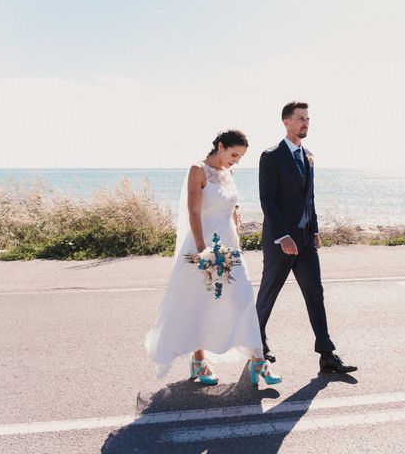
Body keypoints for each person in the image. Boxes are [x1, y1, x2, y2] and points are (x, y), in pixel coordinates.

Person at [145, 130, 281, 386]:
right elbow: (193, 213)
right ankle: (199, 361)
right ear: (220, 146)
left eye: (240, 157)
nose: (235, 161)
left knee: (243, 300)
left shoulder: (228, 173)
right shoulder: (197, 170)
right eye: (233, 154)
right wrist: (201, 250)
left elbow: (229, 202)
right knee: (200, 303)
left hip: (229, 245)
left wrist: (235, 215)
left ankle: (258, 362)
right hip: (203, 245)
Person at [256, 101, 357, 373]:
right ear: (286, 122)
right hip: (281, 242)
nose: (306, 123)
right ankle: (256, 345)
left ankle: (327, 354)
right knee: (268, 294)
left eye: (308, 119)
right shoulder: (271, 156)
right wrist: (283, 236)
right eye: (301, 118)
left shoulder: (309, 155)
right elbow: (268, 200)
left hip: (305, 240)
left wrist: (314, 230)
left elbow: (308, 198)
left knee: (315, 293)